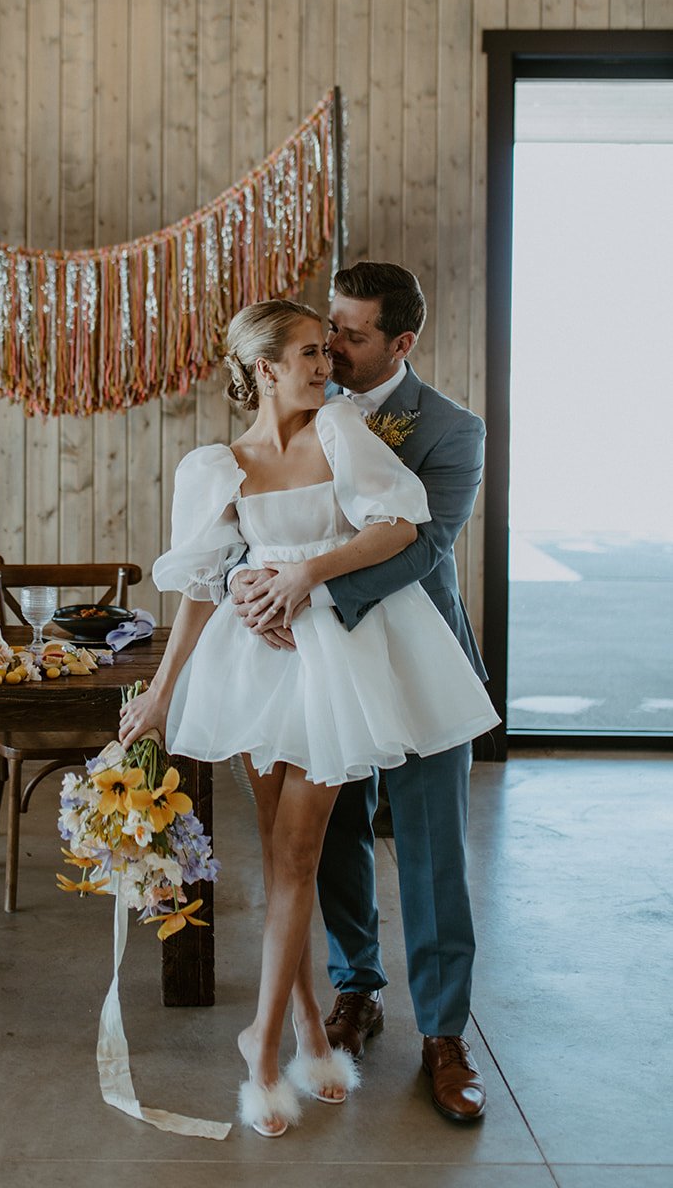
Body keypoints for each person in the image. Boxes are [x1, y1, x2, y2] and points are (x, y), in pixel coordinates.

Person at [119, 297, 498, 1138]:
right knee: (279, 857)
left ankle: (261, 1048)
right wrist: (162, 691)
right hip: (255, 666)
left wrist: (303, 576)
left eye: (332, 350)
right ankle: (298, 1029)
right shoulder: (214, 466)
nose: (327, 367)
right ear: (263, 370)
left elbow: (400, 527)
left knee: (298, 855)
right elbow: (200, 587)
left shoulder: (339, 430)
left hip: (336, 660)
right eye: (310, 353)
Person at [231, 262, 492, 1123]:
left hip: (417, 663)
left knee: (431, 847)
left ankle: (444, 1035)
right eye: (328, 328)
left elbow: (423, 545)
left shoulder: (450, 429)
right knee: (334, 834)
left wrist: (304, 591)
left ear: (400, 342)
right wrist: (245, 583)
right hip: (317, 666)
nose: (332, 346)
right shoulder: (301, 399)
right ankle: (357, 989)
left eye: (351, 333)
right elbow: (255, 519)